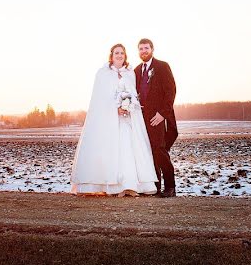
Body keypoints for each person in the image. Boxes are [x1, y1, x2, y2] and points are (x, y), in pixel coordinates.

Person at [70, 44, 158, 196]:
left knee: (128, 150)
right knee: (111, 150)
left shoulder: (130, 73)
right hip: (108, 121)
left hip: (127, 119)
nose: (119, 55)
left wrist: (129, 105)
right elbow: (98, 98)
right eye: (116, 53)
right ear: (111, 55)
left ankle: (129, 186)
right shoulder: (102, 73)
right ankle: (112, 186)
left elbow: (133, 94)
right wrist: (114, 108)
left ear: (125, 55)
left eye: (122, 53)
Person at [134, 38, 178, 197]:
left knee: (160, 149)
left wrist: (162, 114)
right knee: (147, 151)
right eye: (141, 49)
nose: (143, 51)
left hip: (157, 117)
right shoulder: (137, 70)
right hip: (141, 117)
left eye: (146, 48)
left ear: (152, 49)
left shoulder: (162, 66)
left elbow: (171, 91)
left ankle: (170, 187)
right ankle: (155, 187)